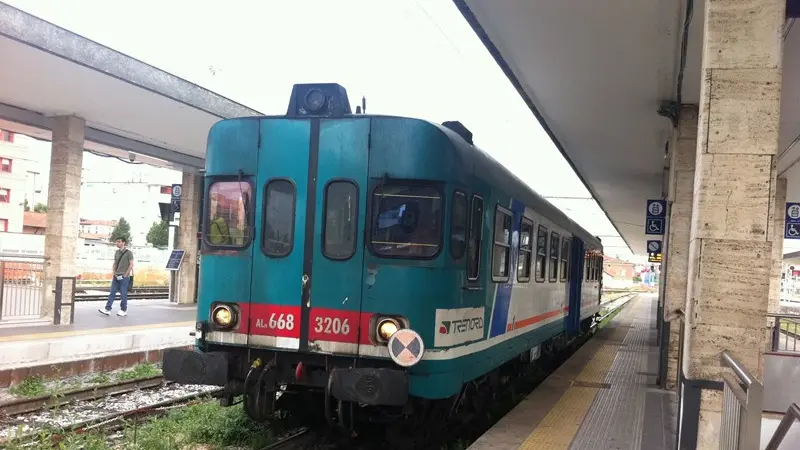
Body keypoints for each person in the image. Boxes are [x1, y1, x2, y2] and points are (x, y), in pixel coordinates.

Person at [99, 238, 134, 316]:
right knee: (112, 293)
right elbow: (115, 263)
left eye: (119, 242)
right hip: (116, 276)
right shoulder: (117, 252)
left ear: (123, 242)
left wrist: (125, 274)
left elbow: (131, 264)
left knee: (123, 294)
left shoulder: (129, 253)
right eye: (117, 241)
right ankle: (107, 309)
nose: (117, 243)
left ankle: (123, 310)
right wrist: (114, 272)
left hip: (124, 277)